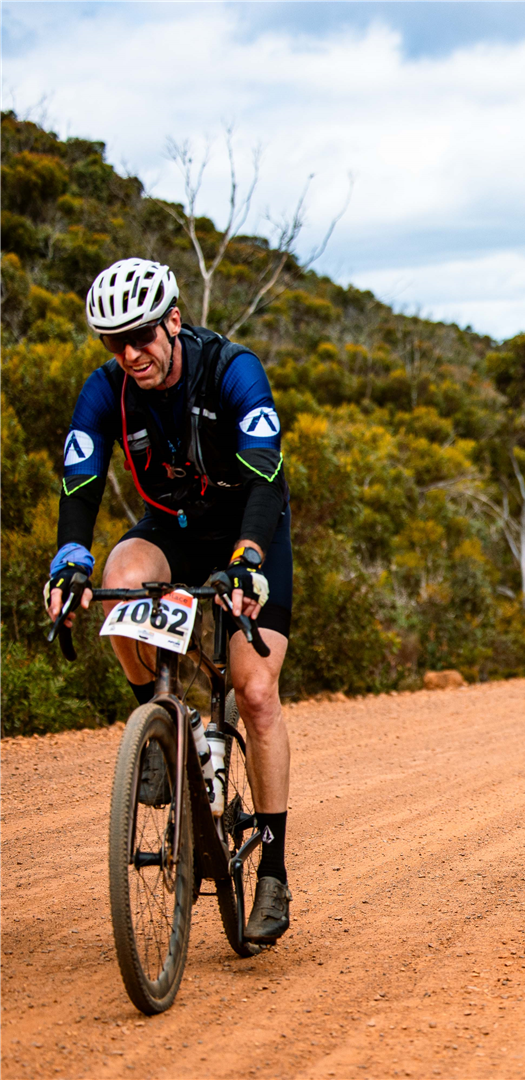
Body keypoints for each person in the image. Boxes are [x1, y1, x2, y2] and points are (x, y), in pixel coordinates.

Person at [44, 257, 295, 943]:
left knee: (255, 693)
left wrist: (248, 560)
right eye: (115, 342)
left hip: (248, 532)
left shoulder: (232, 369)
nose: (130, 354)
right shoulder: (107, 390)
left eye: (142, 336)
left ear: (174, 322)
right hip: (173, 529)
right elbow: (79, 481)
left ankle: (273, 872)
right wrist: (69, 561)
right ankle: (160, 728)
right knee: (120, 578)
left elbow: (266, 475)